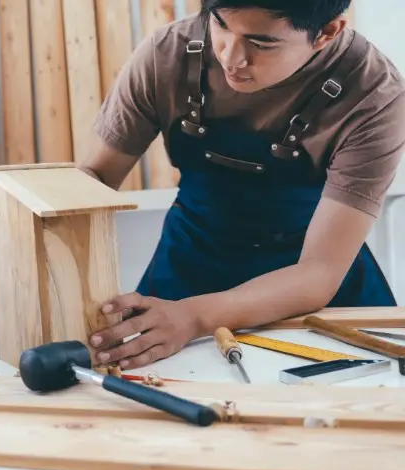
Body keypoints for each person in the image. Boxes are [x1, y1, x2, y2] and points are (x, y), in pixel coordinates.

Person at [79, 0, 405, 370]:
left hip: (310, 284)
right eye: (219, 24)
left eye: (261, 43)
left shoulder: (373, 94)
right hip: (190, 262)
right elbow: (95, 180)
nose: (231, 57)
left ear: (327, 33)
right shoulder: (167, 53)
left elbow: (320, 272)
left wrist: (195, 317)